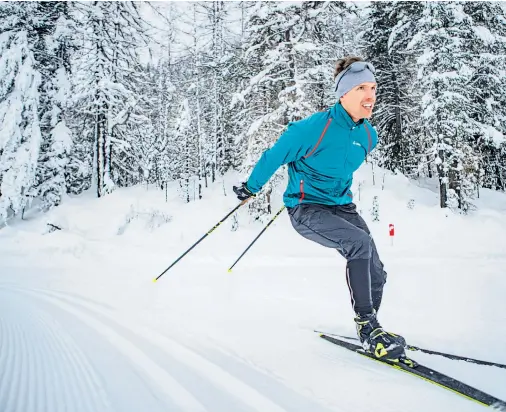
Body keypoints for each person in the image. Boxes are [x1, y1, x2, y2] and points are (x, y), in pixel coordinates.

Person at [233, 56, 406, 361]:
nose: (370, 96)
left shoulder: (368, 135)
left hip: (342, 206)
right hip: (307, 208)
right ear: (344, 93)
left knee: (376, 273)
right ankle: (367, 329)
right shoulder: (313, 129)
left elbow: (338, 167)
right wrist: (251, 188)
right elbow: (274, 156)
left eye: (374, 88)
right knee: (359, 243)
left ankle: (372, 326)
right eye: (362, 88)